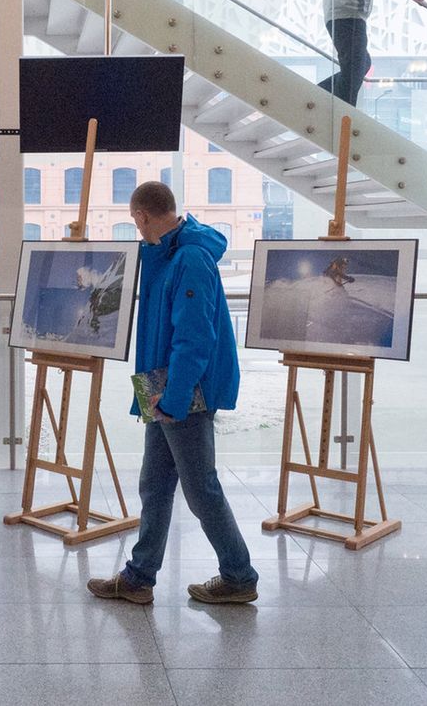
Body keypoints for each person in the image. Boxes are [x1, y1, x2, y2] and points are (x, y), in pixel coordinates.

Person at [88, 182, 258, 605]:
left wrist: (176, 397)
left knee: (201, 488)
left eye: (134, 221)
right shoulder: (167, 252)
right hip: (159, 385)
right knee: (156, 484)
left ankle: (239, 575)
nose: (135, 229)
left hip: (182, 390)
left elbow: (195, 338)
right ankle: (139, 576)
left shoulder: (191, 259)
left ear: (144, 216)